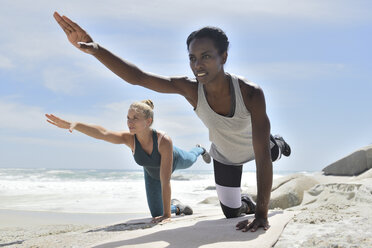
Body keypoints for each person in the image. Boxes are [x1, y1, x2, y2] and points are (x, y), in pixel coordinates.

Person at [53, 12, 291, 232]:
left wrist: (262, 213)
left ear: (224, 57)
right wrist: (97, 50)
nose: (198, 64)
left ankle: (277, 143)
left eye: (206, 56)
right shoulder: (190, 88)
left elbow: (261, 160)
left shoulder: (250, 93)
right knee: (231, 213)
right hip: (225, 155)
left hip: (258, 146)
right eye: (192, 58)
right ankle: (244, 201)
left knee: (269, 151)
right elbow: (139, 77)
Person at [45, 99, 211, 223]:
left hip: (174, 160)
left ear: (148, 121)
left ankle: (200, 149)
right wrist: (75, 124)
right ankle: (177, 207)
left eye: (135, 118)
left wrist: (168, 217)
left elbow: (165, 181)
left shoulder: (163, 140)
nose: (130, 122)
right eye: (128, 118)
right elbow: (103, 133)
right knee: (155, 214)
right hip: (151, 173)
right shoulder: (130, 139)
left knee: (190, 159)